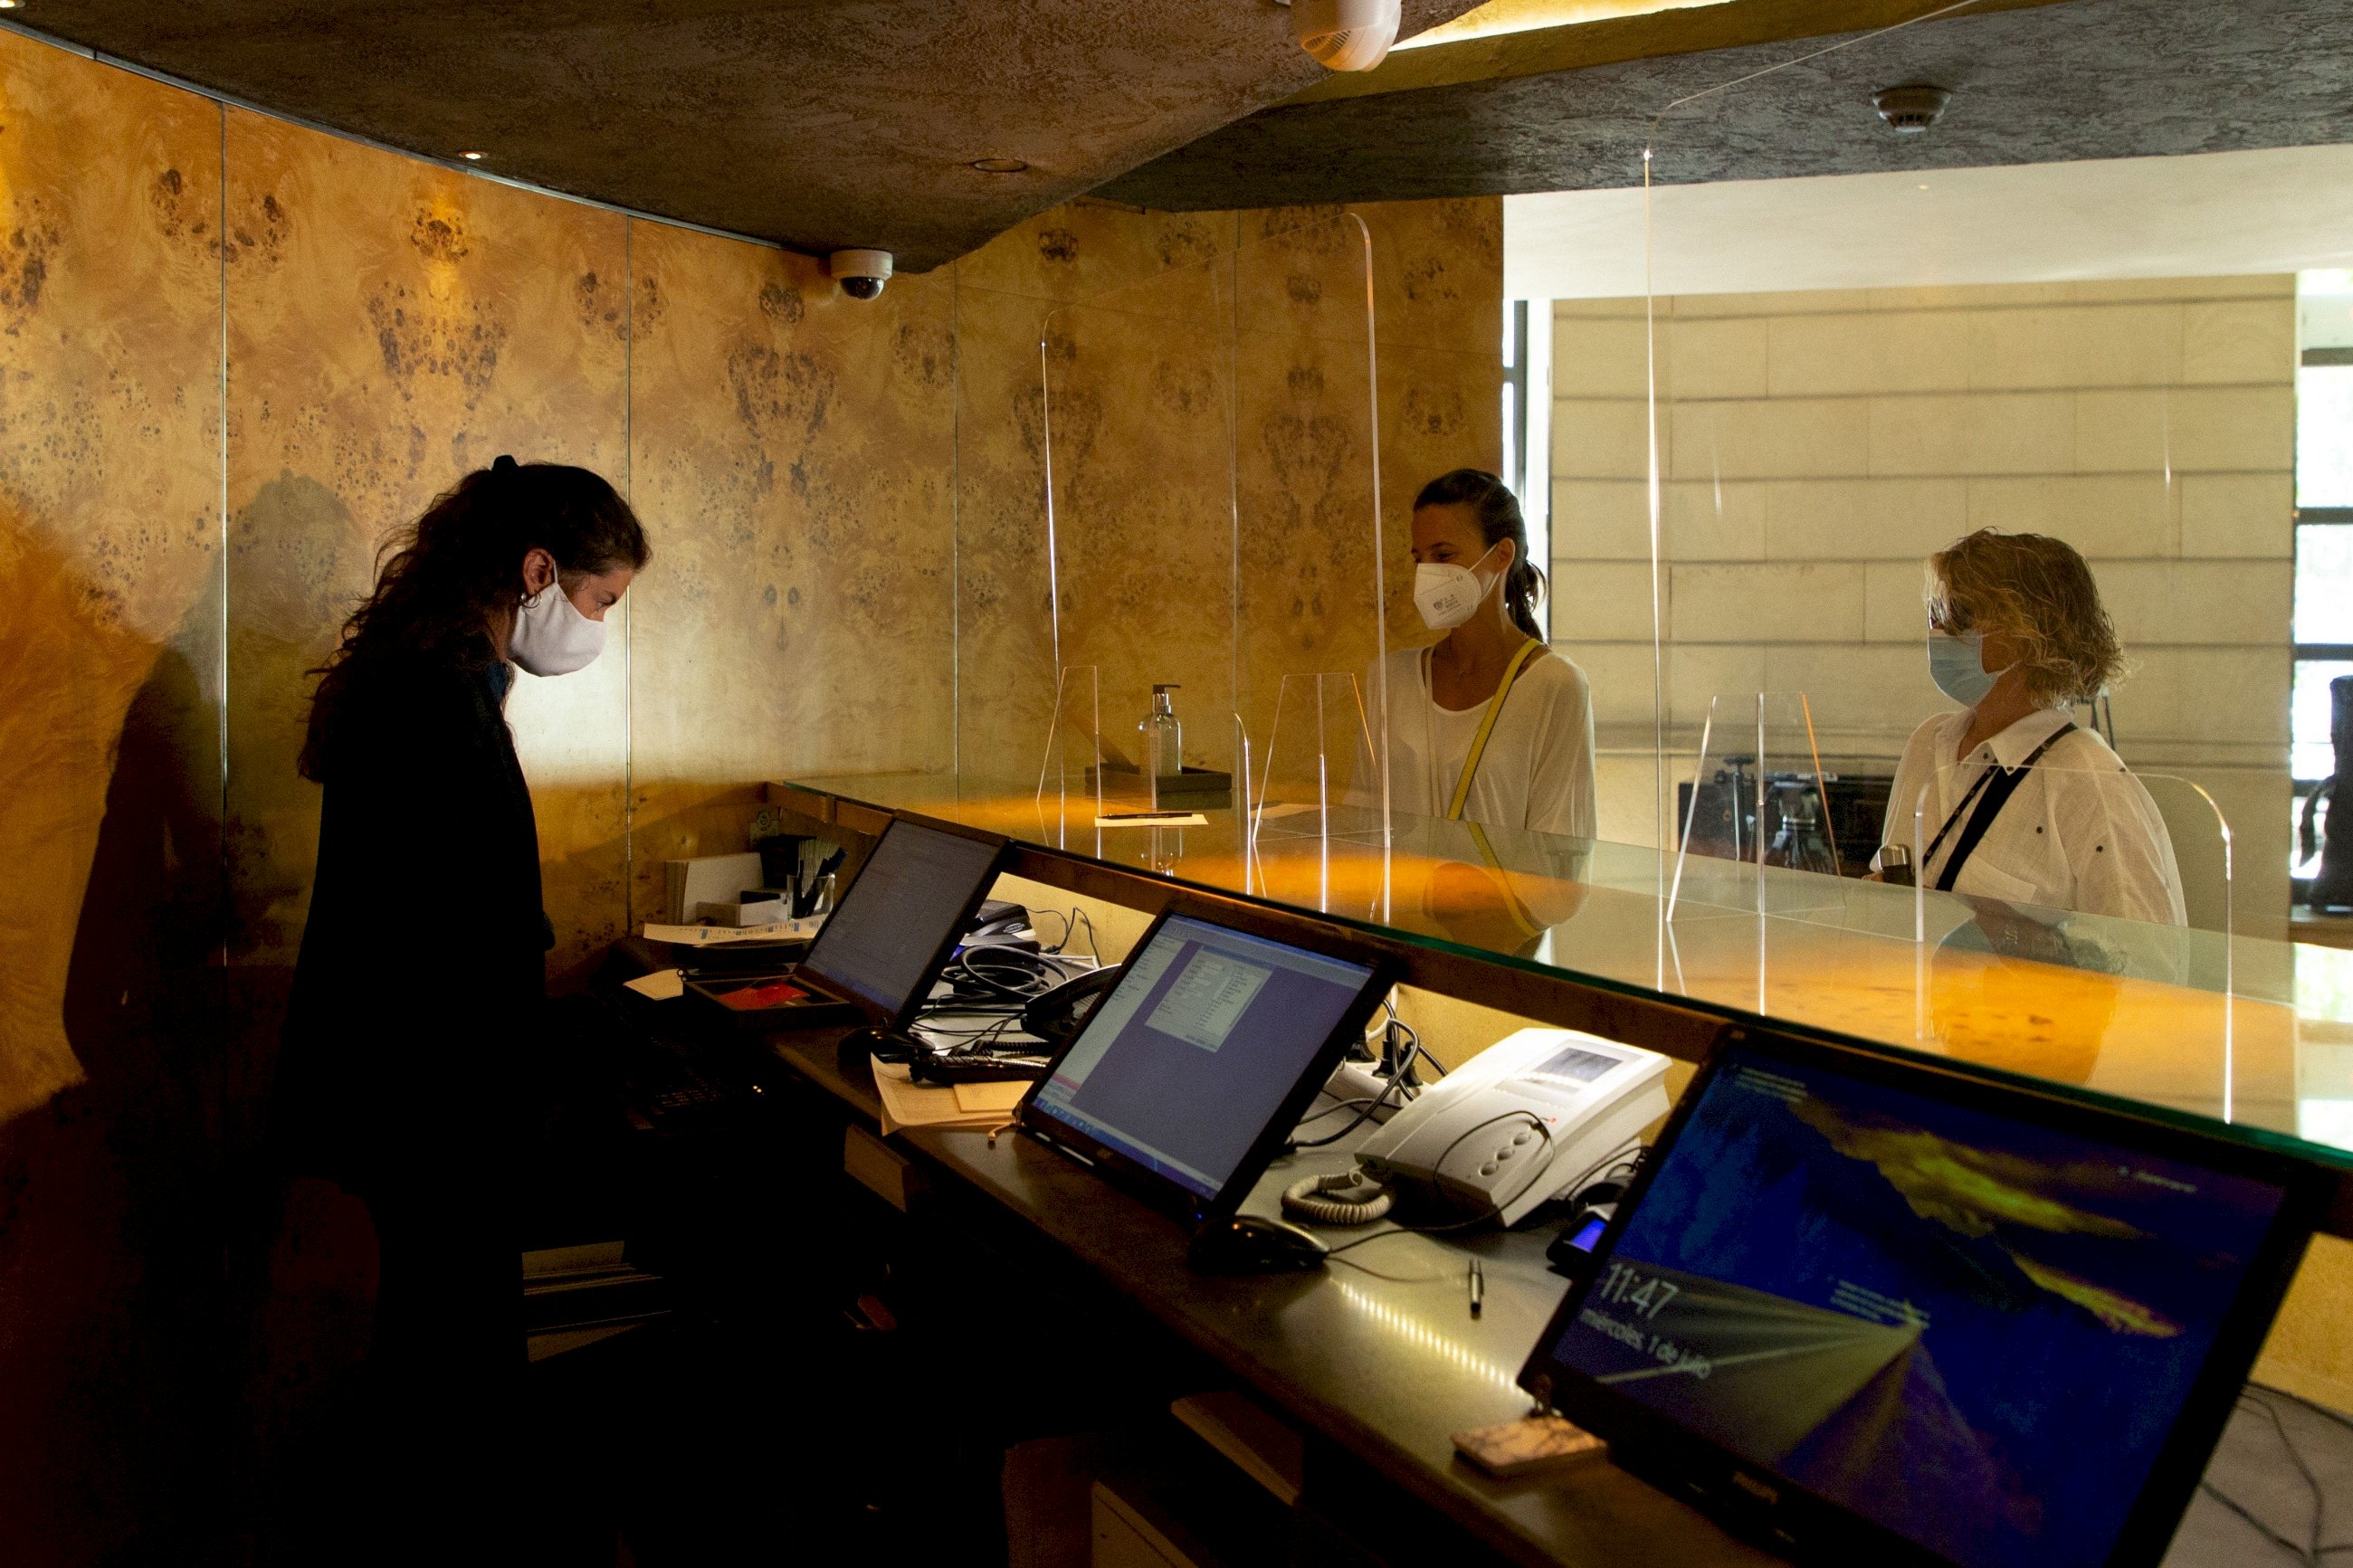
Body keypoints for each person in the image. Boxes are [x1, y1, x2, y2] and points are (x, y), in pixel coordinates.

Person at [271, 456, 647, 1556]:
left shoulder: (429, 673)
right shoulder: (439, 698)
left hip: (405, 1086)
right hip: (429, 1097)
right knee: (453, 1362)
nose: (595, 628)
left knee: (432, 1346)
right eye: (598, 600)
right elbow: (459, 929)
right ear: (538, 569)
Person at [1879, 527, 2184, 926]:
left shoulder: (2093, 784)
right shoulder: (1928, 743)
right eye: (1936, 614)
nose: (1938, 631)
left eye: (1961, 616)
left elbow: (2147, 967)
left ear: (2033, 635)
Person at [1367, 469, 1596, 839]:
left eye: (1443, 555)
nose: (1427, 573)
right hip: (1401, 896)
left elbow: (1562, 852)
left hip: (1504, 898)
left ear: (1501, 555)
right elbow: (1364, 826)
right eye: (1419, 559)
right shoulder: (1389, 679)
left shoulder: (1555, 687)